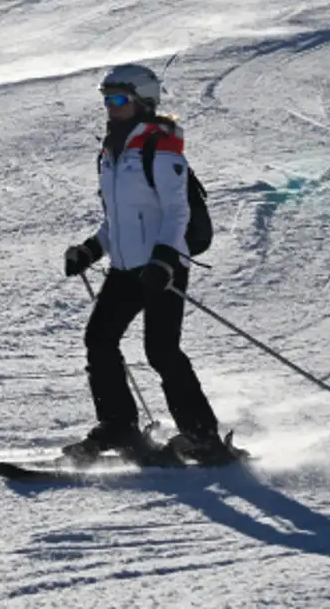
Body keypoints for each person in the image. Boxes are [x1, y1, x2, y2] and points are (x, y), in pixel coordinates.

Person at [61, 64, 236, 465]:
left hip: (162, 268)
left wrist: (164, 260)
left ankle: (202, 436)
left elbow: (176, 212)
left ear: (143, 100)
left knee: (161, 349)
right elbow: (117, 219)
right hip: (125, 268)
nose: (110, 106)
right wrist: (90, 249)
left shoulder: (161, 147)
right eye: (106, 99)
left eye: (118, 99)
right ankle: (118, 426)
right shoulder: (110, 151)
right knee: (99, 340)